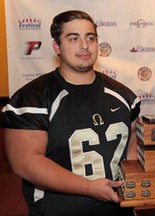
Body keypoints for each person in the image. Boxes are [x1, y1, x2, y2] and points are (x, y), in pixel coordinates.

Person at [1, 10, 140, 216]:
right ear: (57, 46)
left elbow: (131, 151)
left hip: (117, 209)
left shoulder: (124, 96)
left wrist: (134, 187)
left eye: (90, 38)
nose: (84, 45)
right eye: (73, 38)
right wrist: (90, 187)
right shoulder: (33, 99)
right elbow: (25, 163)